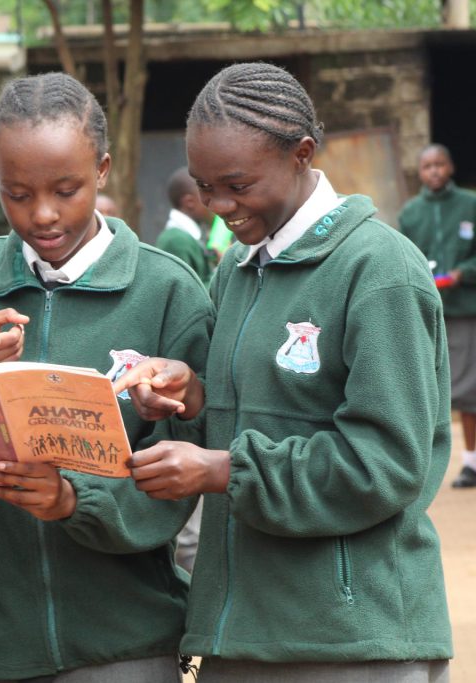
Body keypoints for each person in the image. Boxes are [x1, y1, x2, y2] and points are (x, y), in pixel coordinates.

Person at [115, 62, 452, 682]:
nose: (220, 207)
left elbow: (387, 461)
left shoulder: (380, 271)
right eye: (206, 187)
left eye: (237, 185)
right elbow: (261, 407)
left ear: (302, 154)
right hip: (243, 629)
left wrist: (225, 470)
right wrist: (194, 397)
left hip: (349, 638)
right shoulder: (239, 271)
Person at [0, 71, 214, 682]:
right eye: (16, 194)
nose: (43, 214)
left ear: (102, 170)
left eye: (66, 189)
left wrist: (74, 500)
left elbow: (187, 462)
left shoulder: (168, 289)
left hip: (126, 640)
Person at [399, 143, 476, 488]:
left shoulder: (470, 205)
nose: (434, 171)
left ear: (451, 167)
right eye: (427, 166)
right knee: (425, 386)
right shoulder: (410, 213)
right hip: (426, 309)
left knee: (466, 388)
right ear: (420, 171)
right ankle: (418, 466)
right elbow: (403, 257)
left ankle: (471, 462)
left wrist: (464, 272)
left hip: (463, 309)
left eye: (439, 164)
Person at [156, 165, 214, 283]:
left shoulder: (188, 237)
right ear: (190, 202)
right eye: (209, 196)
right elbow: (186, 294)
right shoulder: (176, 240)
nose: (216, 203)